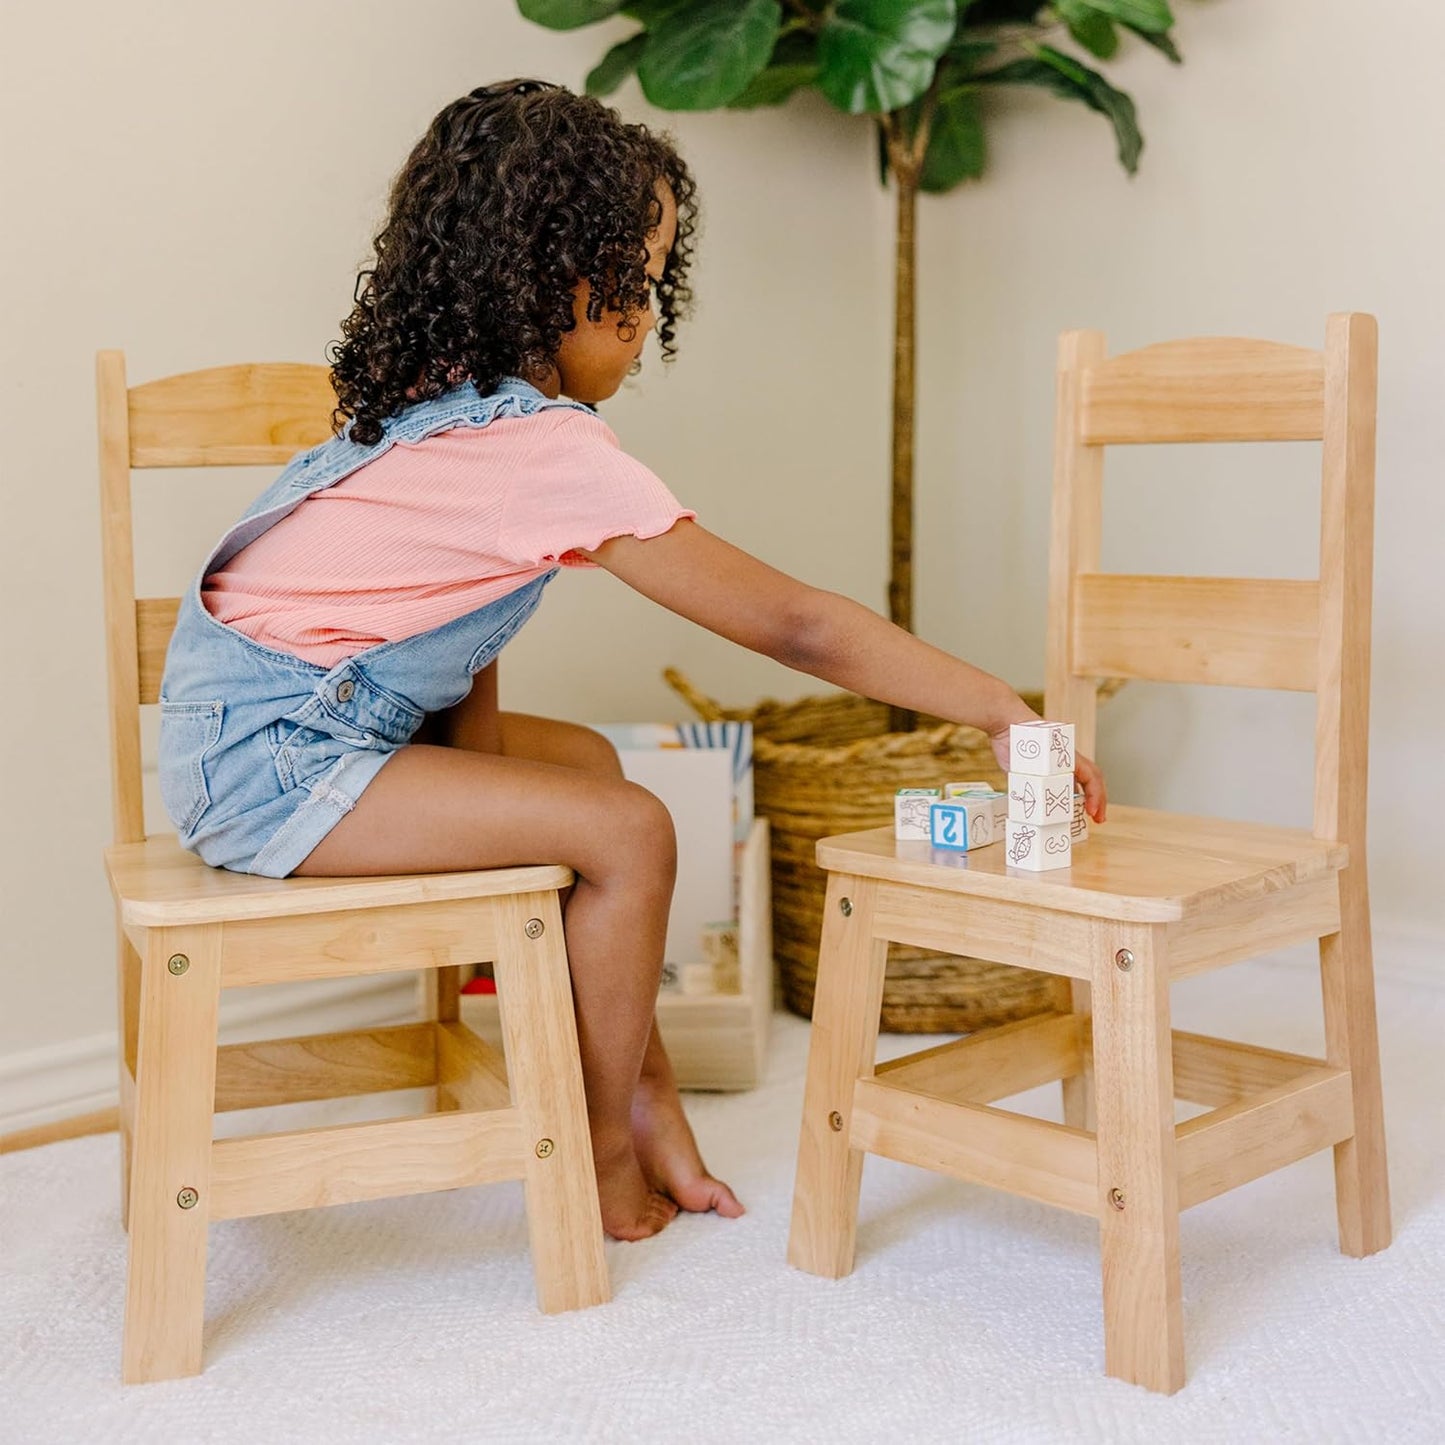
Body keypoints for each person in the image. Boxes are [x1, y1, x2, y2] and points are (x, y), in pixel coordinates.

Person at [157, 80, 1108, 1244]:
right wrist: (993, 708)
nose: (648, 316)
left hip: (278, 731)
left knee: (596, 775)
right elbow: (795, 625)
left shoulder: (435, 407)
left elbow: (446, 643)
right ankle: (598, 1145)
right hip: (274, 763)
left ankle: (638, 1092)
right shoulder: (542, 450)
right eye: (638, 284)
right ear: (545, 276)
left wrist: (511, 801)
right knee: (630, 830)